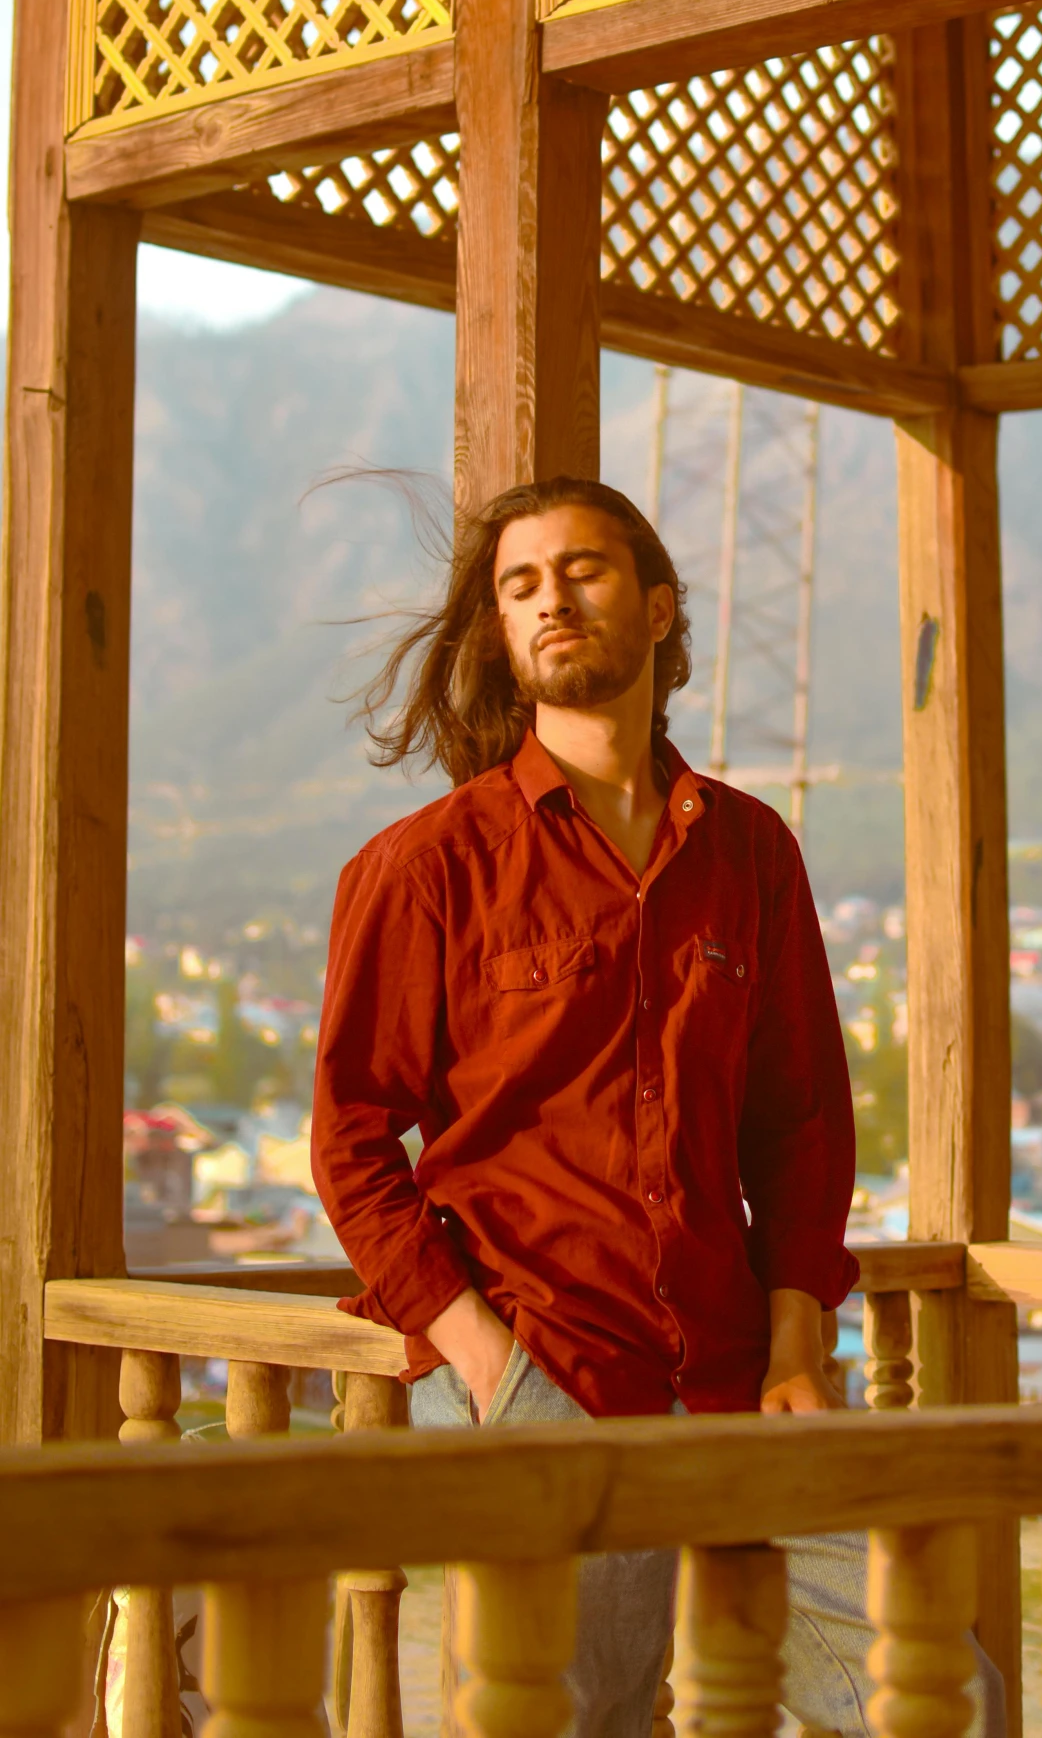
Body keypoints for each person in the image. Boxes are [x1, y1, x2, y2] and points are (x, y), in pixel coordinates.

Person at [312, 475, 1002, 1738]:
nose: (551, 600)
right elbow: (351, 1141)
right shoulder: (427, 867)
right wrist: (481, 1358)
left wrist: (797, 1344)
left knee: (941, 1695)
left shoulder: (750, 852)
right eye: (521, 586)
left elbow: (799, 1126)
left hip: (737, 1382)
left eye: (581, 569)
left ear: (658, 604)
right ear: (501, 638)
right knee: (579, 1723)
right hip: (547, 1373)